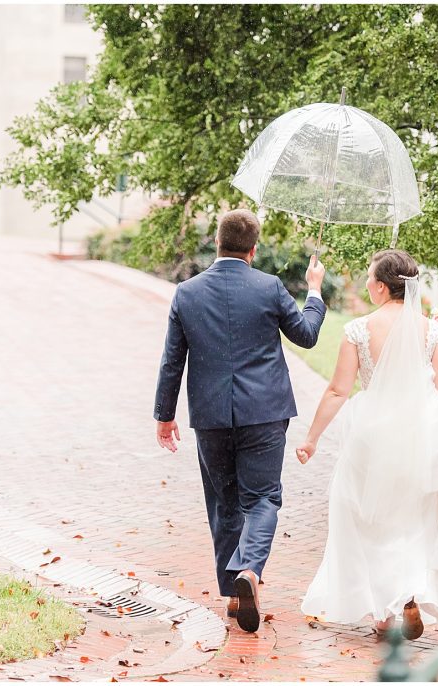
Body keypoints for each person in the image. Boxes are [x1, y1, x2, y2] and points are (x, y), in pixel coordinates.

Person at [296, 249, 438, 639]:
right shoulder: (431, 331)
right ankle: (407, 594)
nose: (367, 284)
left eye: (370, 278)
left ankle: (384, 612)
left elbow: (338, 390)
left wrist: (311, 438)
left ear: (383, 286)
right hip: (421, 435)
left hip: (370, 434)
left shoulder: (358, 329)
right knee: (414, 522)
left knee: (367, 519)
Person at [154, 208, 327, 633]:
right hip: (265, 414)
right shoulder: (269, 287)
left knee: (223, 503)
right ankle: (250, 570)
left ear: (217, 243)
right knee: (263, 499)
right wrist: (315, 293)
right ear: (253, 249)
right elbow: (306, 334)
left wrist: (164, 415)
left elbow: (172, 359)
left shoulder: (187, 293)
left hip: (211, 416)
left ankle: (234, 593)